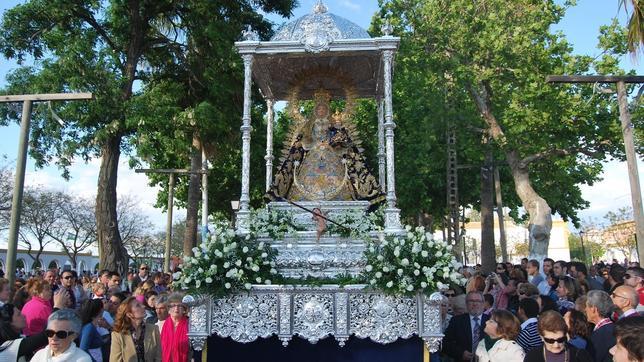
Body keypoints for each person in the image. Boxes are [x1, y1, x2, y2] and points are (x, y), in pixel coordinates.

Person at [0, 293, 67, 361]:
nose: (23, 315)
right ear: (10, 323)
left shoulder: (20, 337)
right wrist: (57, 307)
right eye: (18, 314)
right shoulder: (9, 347)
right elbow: (45, 335)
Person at [523, 310, 593, 362]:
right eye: (550, 340)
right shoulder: (532, 357)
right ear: (541, 337)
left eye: (561, 339)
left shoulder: (579, 355)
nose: (556, 345)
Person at [110, 296, 162, 362]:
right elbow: (115, 360)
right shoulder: (118, 335)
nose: (143, 306)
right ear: (129, 314)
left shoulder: (154, 329)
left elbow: (158, 357)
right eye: (138, 306)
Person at [442, 291, 489, 361]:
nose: (475, 304)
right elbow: (445, 343)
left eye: (478, 301)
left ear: (483, 304)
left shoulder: (491, 320)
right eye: (471, 301)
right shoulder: (457, 321)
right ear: (466, 304)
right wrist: (461, 353)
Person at [585, 290, 617, 362]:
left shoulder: (600, 334)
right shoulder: (614, 327)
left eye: (586, 306)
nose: (585, 309)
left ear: (593, 309)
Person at [160, 293, 190, 362]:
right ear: (168, 309)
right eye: (173, 305)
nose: (176, 308)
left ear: (184, 309)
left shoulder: (190, 325)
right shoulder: (161, 325)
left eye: (180, 306)